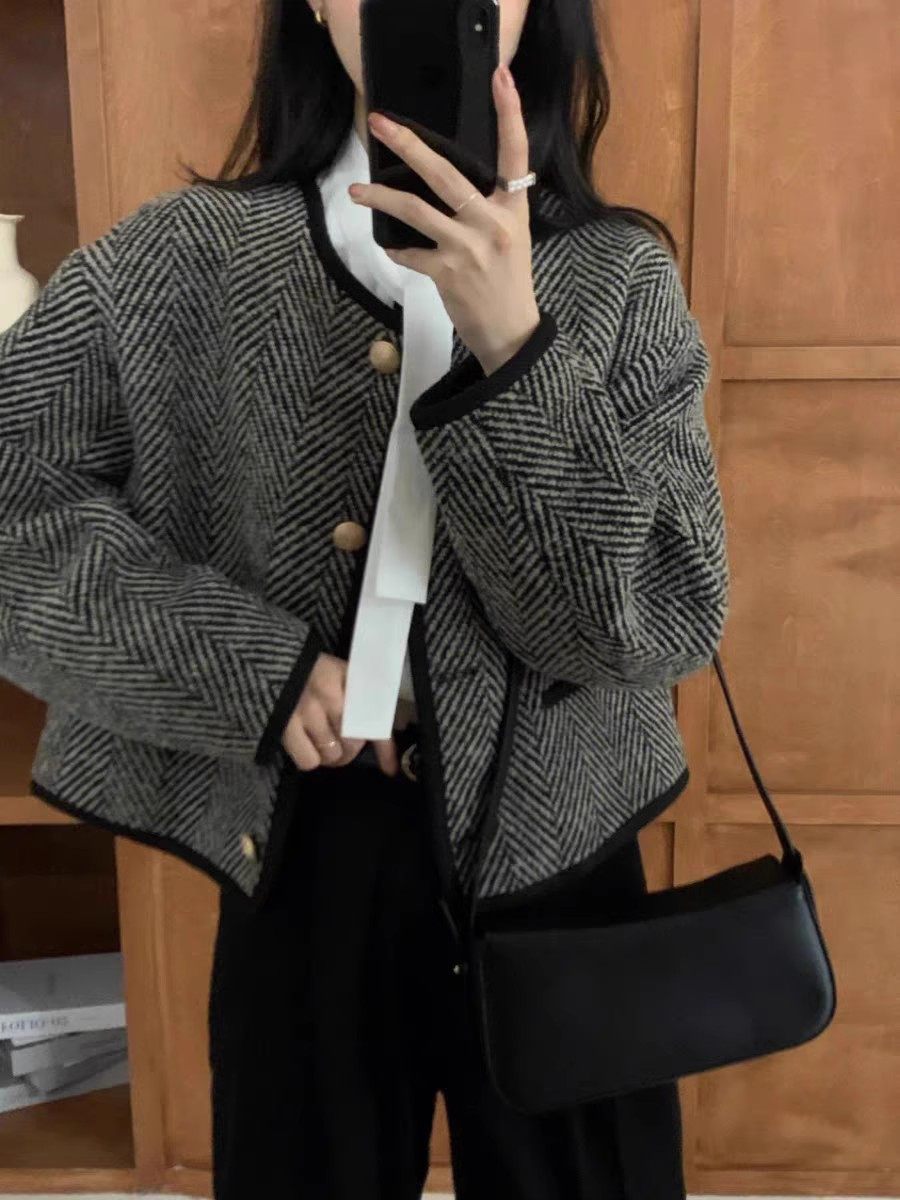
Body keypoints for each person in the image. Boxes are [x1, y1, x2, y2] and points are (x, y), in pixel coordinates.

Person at [0, 0, 730, 1196]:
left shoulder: (618, 277)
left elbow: (651, 617)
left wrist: (515, 342)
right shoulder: (179, 258)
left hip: (563, 846)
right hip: (302, 850)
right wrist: (249, 668)